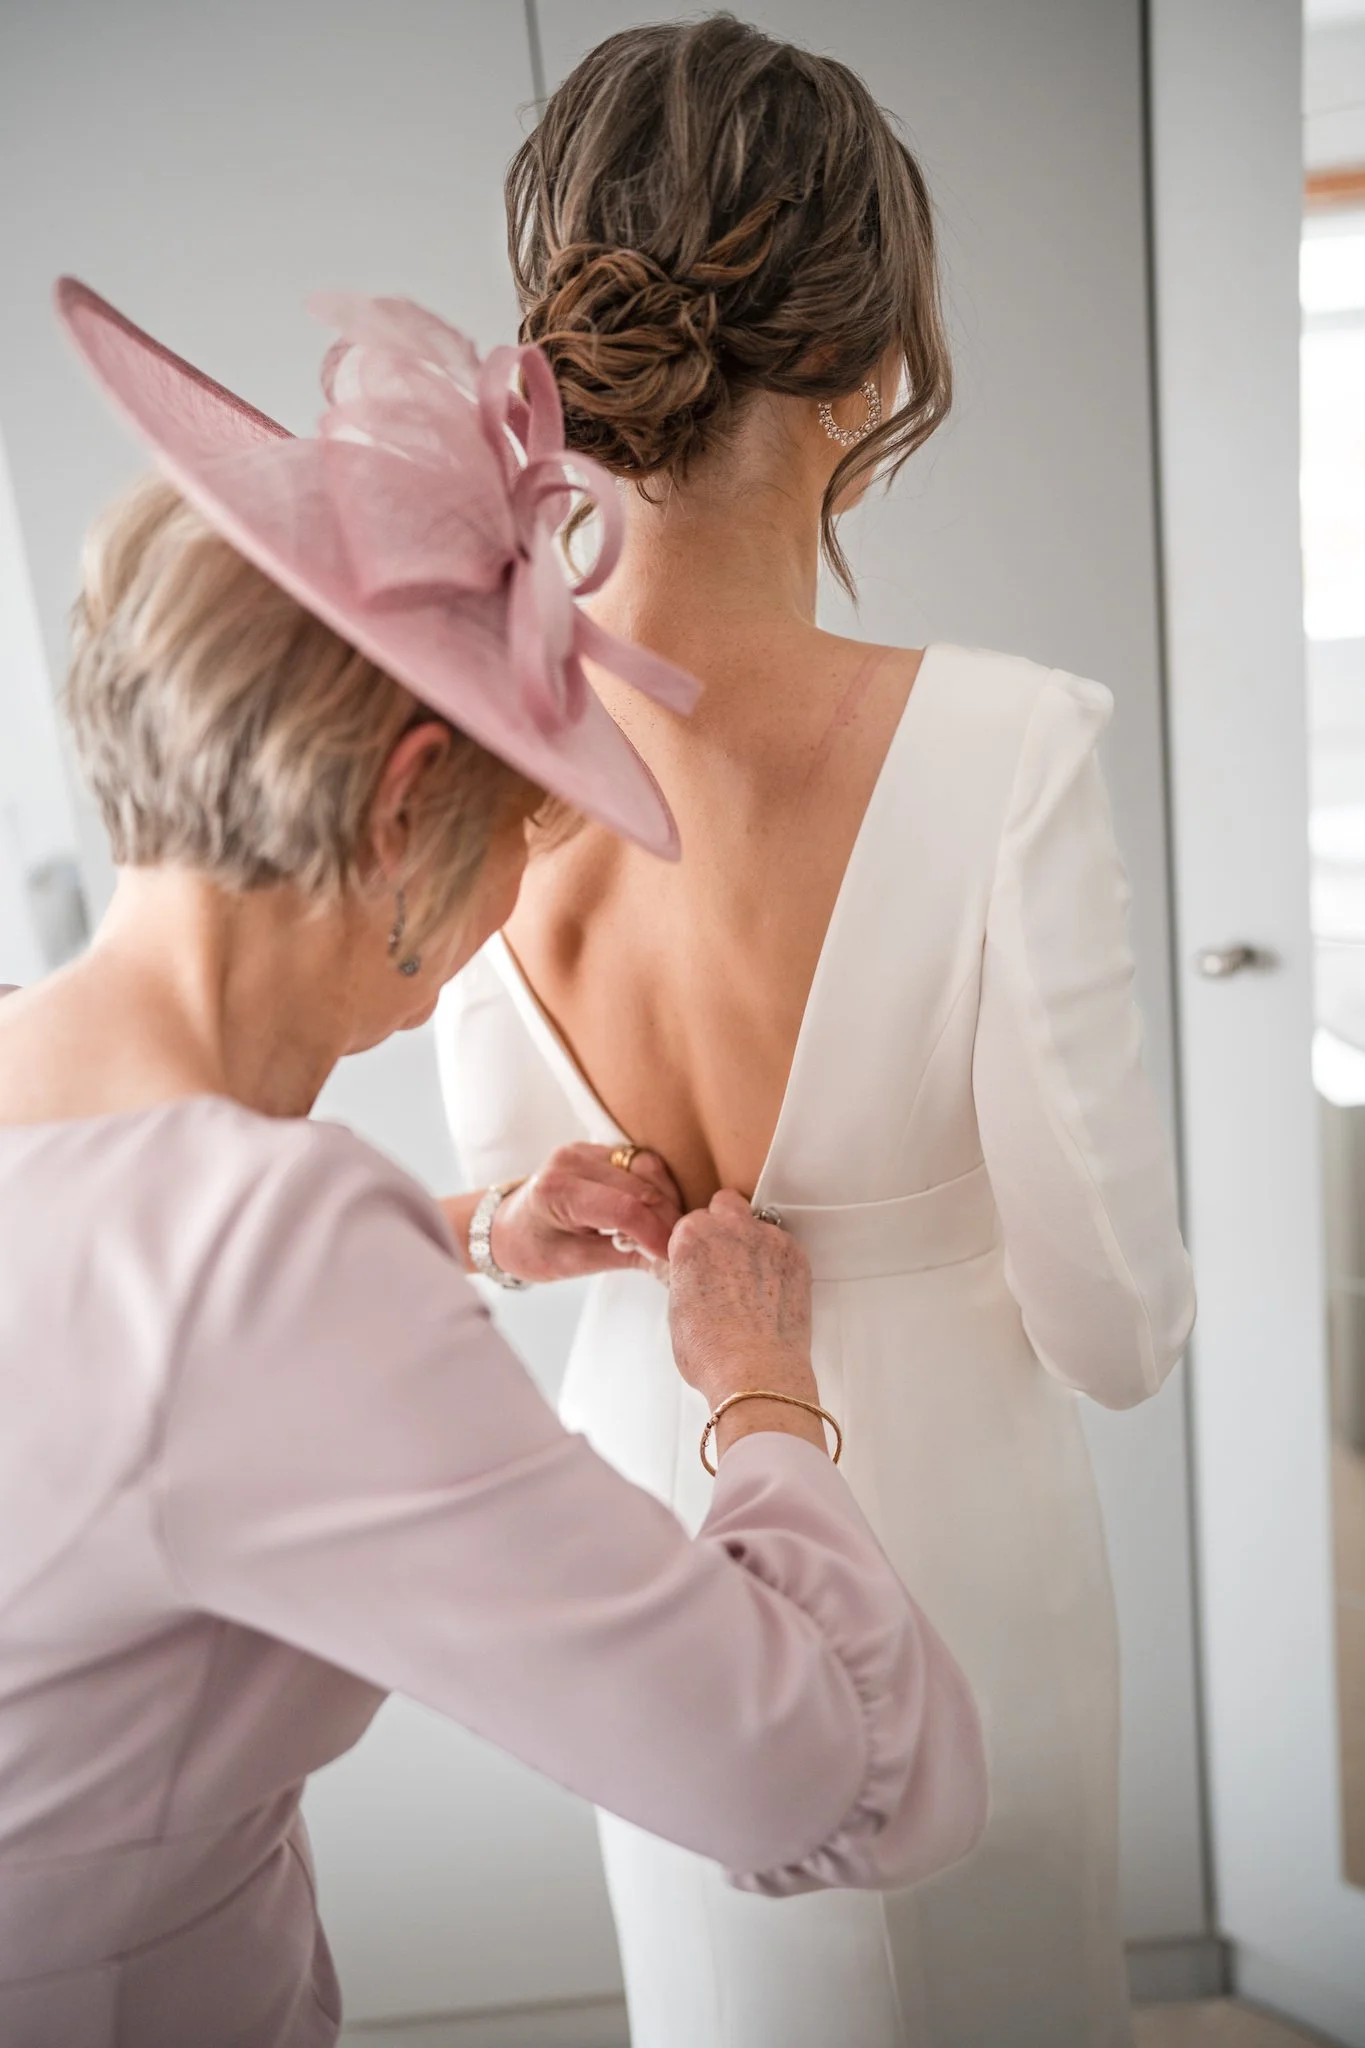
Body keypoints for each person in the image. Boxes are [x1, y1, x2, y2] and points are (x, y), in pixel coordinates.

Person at [0, 280, 987, 2048]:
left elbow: (102, 1343)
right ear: (400, 812)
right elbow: (823, 1771)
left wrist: (475, 1232)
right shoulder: (261, 1260)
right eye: (521, 832)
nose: (503, 914)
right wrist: (762, 1389)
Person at [437, 19, 1197, 2048]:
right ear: (871, 361)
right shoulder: (1007, 745)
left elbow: (526, 1214)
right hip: (954, 1536)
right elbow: (1119, 1333)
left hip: (650, 1521)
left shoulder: (489, 743)